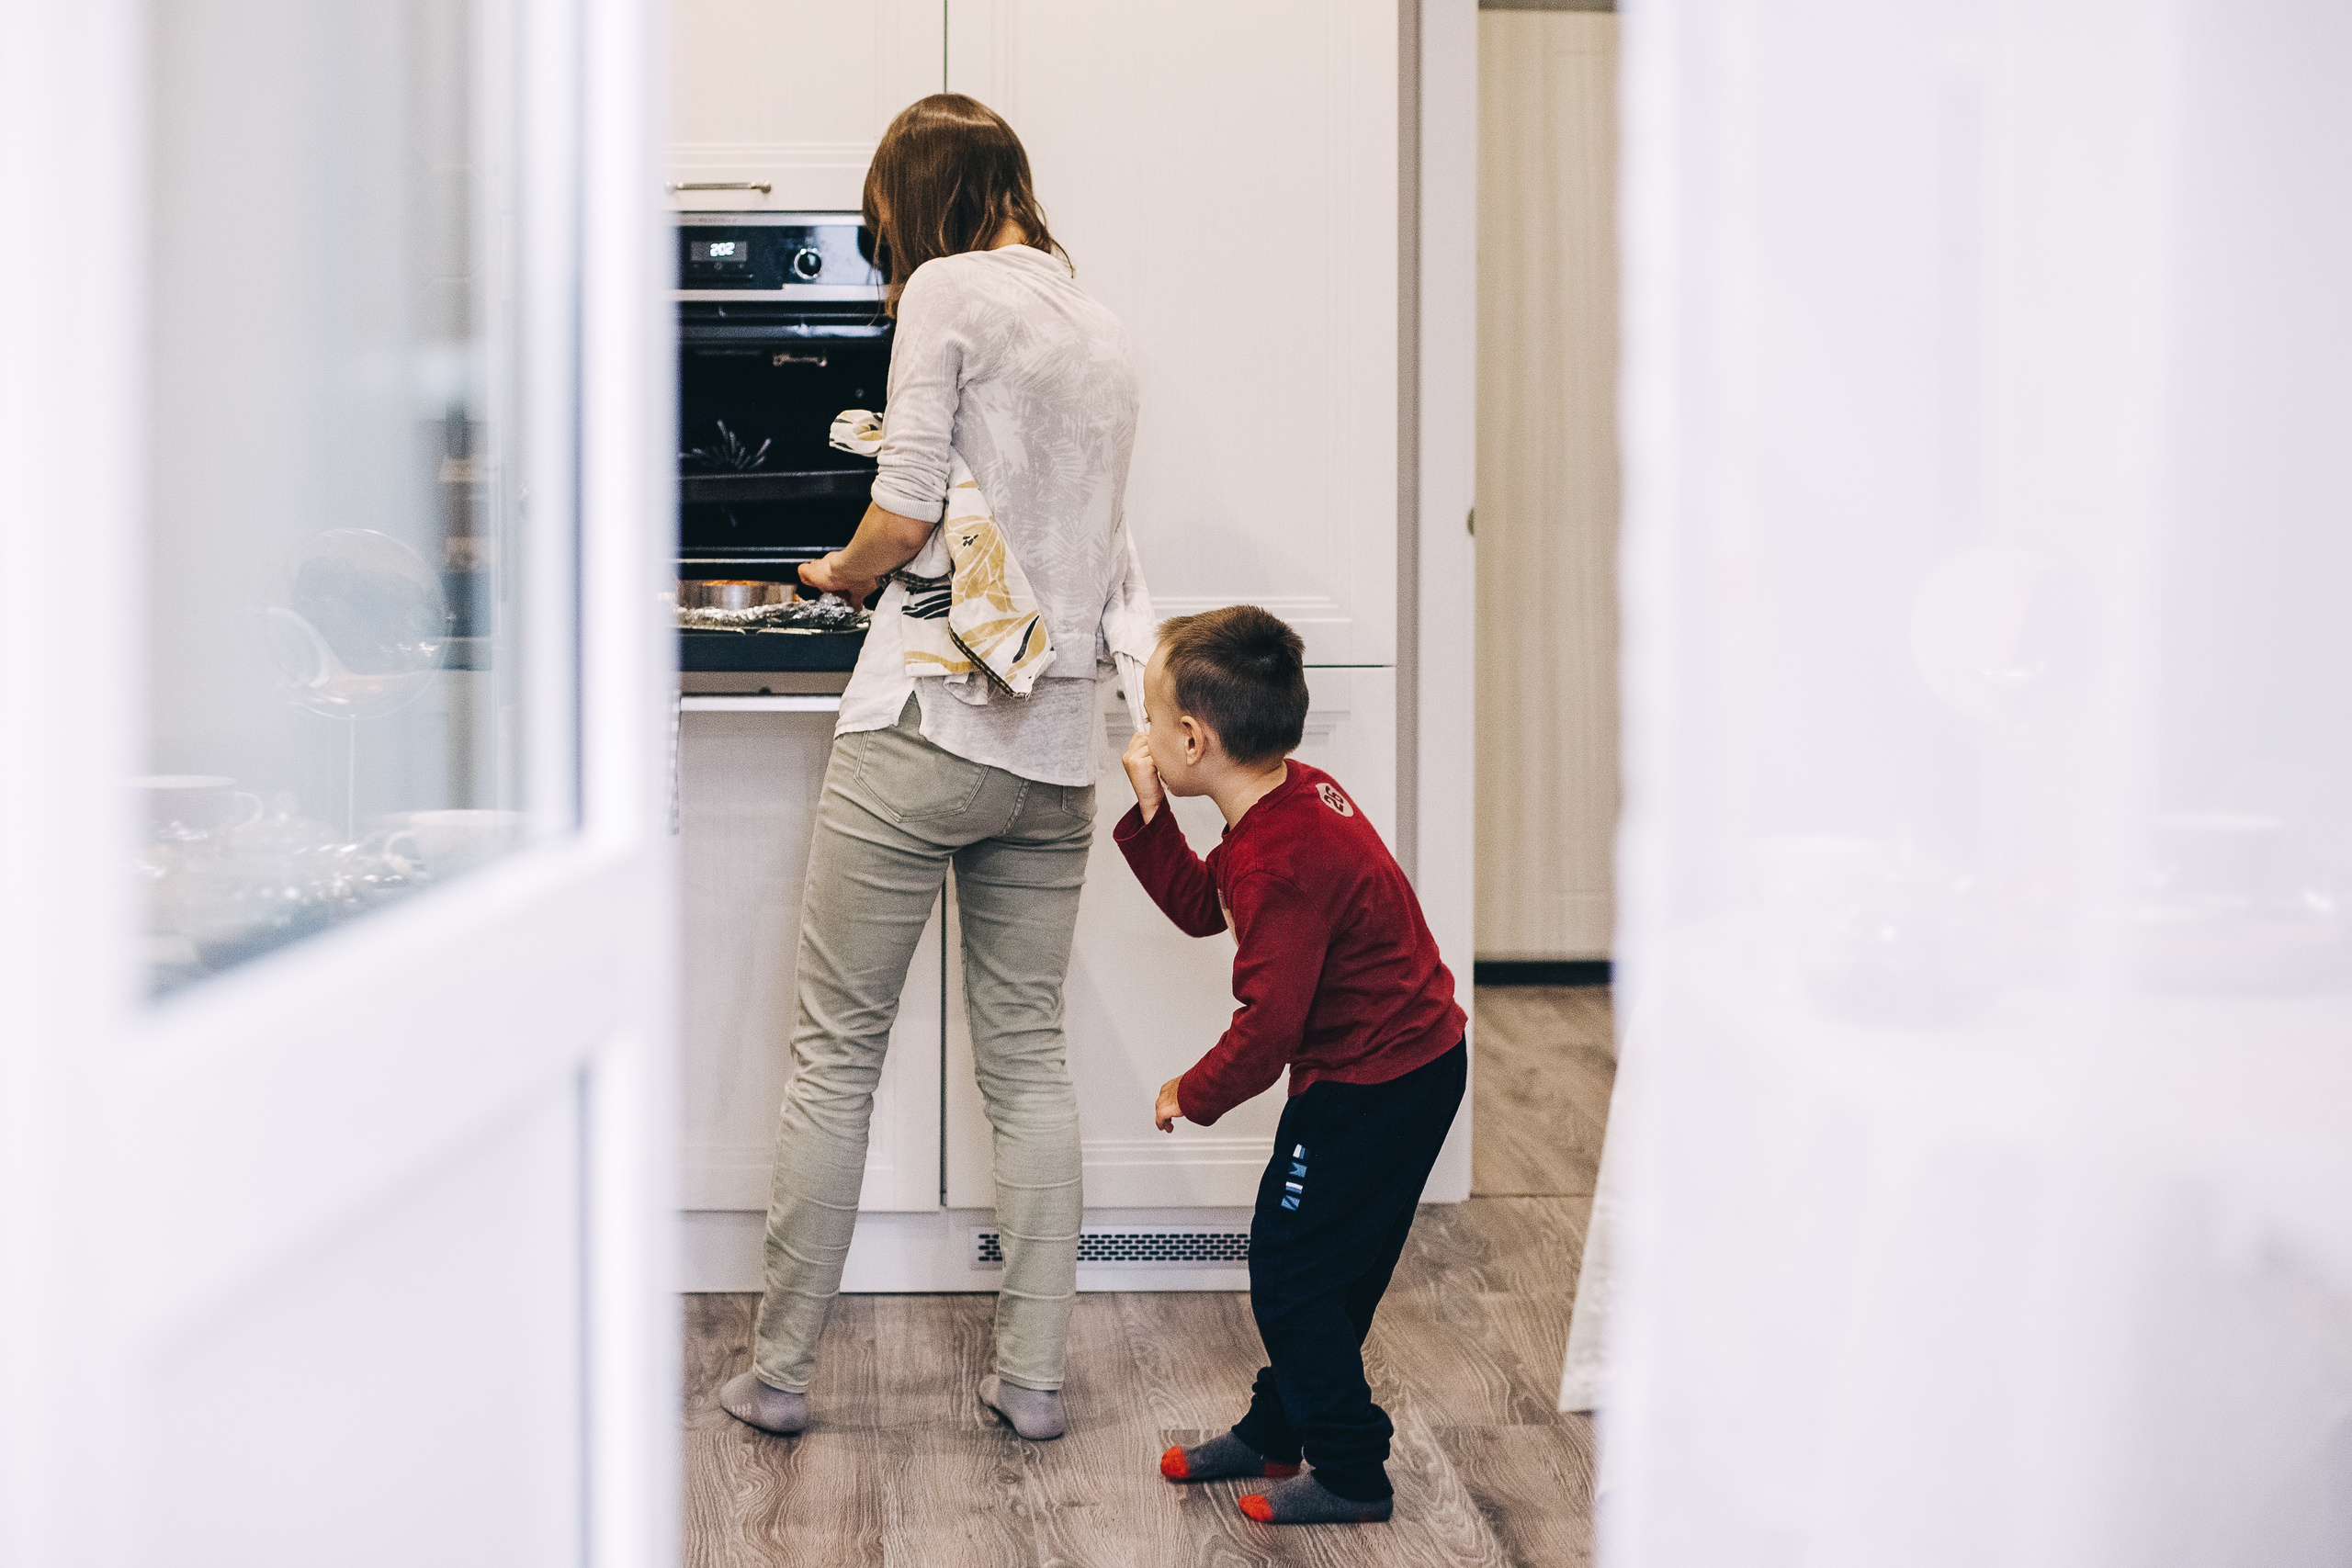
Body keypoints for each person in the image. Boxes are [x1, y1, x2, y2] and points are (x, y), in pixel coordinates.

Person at [718, 94, 1139, 1443]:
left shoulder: (949, 288)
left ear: (919, 199)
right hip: (1056, 743)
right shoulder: (1098, 320)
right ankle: (1031, 1380)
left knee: (835, 1053)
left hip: (925, 725)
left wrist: (830, 572)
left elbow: (903, 505)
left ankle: (779, 1374)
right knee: (1028, 1060)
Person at [1113, 606, 1468, 1524]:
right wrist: (1153, 821)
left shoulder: (1282, 857)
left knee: (1292, 1273)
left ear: (1191, 738)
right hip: (1408, 1066)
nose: (1143, 735)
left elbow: (1268, 1031)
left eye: (1152, 721)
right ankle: (1280, 1430)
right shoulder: (1290, 796)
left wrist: (1187, 1094)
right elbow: (1206, 905)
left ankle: (1352, 1471)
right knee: (1324, 1272)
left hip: (1374, 1085)